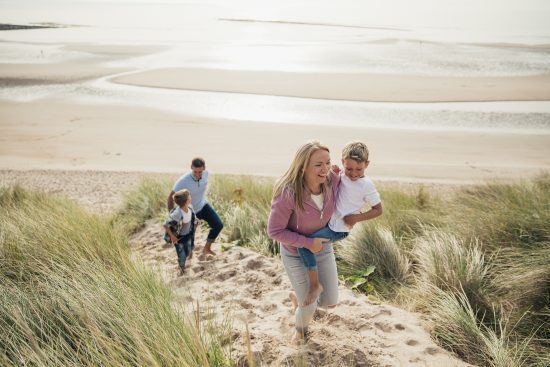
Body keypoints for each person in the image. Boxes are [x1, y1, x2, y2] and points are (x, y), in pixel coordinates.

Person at [267, 140, 341, 343]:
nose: (325, 169)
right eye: (318, 165)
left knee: (330, 302)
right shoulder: (288, 193)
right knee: (310, 306)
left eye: (328, 162)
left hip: (324, 250)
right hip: (295, 253)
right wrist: (308, 243)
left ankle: (297, 299)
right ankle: (299, 330)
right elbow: (274, 231)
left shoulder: (332, 180)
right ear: (303, 166)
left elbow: (354, 179)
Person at [298, 141, 383, 307]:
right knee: (308, 243)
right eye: (349, 168)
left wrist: (356, 218)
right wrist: (334, 170)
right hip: (329, 223)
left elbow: (378, 210)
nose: (353, 173)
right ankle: (303, 289)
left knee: (304, 244)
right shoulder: (342, 174)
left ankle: (315, 286)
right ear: (343, 161)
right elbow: (329, 177)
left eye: (359, 169)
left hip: (339, 229)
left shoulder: (366, 185)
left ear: (367, 164)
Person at [167, 158, 223, 259]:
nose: (197, 174)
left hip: (203, 205)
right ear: (191, 168)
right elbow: (170, 198)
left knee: (218, 225)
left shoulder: (206, 174)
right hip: (189, 210)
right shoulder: (183, 181)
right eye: (195, 171)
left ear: (204, 169)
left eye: (200, 171)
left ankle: (207, 248)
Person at [164, 189, 197, 275]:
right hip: (179, 238)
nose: (191, 197)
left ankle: (189, 257)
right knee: (182, 255)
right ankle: (181, 270)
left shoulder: (190, 207)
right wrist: (172, 237)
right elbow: (165, 225)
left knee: (189, 249)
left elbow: (192, 216)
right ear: (186, 201)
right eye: (189, 196)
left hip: (188, 234)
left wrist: (196, 220)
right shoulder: (177, 213)